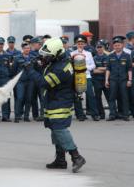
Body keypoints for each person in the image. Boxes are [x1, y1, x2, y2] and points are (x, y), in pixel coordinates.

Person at [28, 38, 86, 173]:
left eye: (48, 56)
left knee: (60, 128)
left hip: (61, 101)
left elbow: (44, 83)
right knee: (54, 128)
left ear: (57, 53)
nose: (45, 58)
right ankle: (60, 160)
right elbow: (46, 68)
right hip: (54, 99)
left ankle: (77, 157)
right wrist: (37, 63)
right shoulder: (57, 60)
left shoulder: (62, 68)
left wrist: (30, 70)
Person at [71, 35, 100, 121]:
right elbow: (70, 66)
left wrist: (85, 67)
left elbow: (93, 65)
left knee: (90, 95)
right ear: (76, 44)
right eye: (79, 43)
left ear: (85, 44)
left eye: (82, 43)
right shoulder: (72, 54)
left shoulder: (88, 53)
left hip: (86, 76)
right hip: (77, 77)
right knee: (78, 96)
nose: (80, 45)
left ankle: (95, 114)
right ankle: (80, 115)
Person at [105, 36, 132, 121]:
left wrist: (130, 80)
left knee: (124, 97)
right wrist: (106, 80)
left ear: (122, 45)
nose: (117, 47)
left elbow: (129, 69)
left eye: (119, 45)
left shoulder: (127, 56)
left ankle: (125, 115)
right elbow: (108, 69)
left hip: (123, 80)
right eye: (115, 45)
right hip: (113, 80)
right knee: (112, 97)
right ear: (113, 46)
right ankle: (112, 114)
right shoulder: (110, 56)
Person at [13, 42, 33, 123]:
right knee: (20, 98)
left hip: (30, 81)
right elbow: (13, 70)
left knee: (28, 99)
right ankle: (17, 116)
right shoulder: (17, 58)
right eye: (25, 48)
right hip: (20, 81)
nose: (27, 49)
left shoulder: (33, 58)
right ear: (22, 49)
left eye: (28, 48)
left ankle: (26, 116)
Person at [92, 40, 110, 120]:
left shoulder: (108, 57)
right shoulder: (94, 58)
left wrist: (99, 68)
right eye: (98, 47)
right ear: (96, 48)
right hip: (97, 80)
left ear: (104, 48)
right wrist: (104, 69)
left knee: (109, 97)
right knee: (98, 98)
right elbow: (93, 70)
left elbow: (109, 69)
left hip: (106, 80)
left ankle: (113, 113)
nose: (99, 49)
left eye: (101, 47)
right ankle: (101, 114)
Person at [30, 36, 45, 121]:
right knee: (33, 98)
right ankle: (35, 115)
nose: (32, 46)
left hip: (42, 78)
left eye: (33, 44)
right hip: (33, 78)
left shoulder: (44, 53)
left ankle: (43, 114)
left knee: (42, 97)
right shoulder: (32, 53)